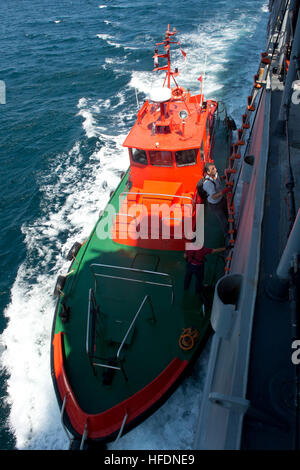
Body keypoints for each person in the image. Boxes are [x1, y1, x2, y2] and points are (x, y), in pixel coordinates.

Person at [184, 245, 225, 314]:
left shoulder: (189, 247)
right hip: (199, 267)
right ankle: (197, 291)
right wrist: (224, 248)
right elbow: (214, 251)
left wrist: (189, 258)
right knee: (199, 280)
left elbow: (185, 256)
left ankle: (186, 287)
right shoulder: (203, 250)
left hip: (190, 266)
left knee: (187, 278)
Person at [202, 162, 230, 236]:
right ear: (208, 172)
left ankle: (230, 225)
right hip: (215, 205)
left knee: (227, 213)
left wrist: (223, 177)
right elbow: (213, 196)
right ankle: (227, 234)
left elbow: (217, 180)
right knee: (223, 220)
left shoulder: (215, 174)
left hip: (221, 199)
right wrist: (224, 191)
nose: (216, 169)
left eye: (215, 167)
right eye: (213, 169)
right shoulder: (208, 184)